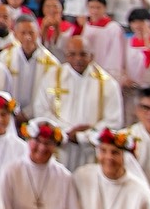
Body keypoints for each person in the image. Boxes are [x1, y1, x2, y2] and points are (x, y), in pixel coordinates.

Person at [31, 35, 122, 169]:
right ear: (66, 56)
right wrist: (67, 131)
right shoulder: (51, 77)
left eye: (83, 54)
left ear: (92, 56)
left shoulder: (108, 84)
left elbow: (114, 120)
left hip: (90, 149)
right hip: (60, 145)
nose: (78, 59)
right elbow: (41, 110)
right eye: (72, 54)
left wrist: (84, 135)